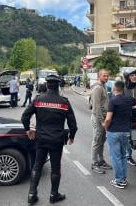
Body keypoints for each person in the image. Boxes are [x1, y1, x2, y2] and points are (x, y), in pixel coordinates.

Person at [21, 74, 78, 205]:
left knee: (37, 165)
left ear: (47, 85)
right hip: (57, 140)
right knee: (55, 168)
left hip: (40, 139)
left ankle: (31, 195)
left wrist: (28, 130)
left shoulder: (38, 99)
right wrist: (72, 136)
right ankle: (54, 195)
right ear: (58, 86)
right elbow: (73, 124)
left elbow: (25, 117)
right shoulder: (64, 102)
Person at [103, 81, 136, 189]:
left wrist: (106, 127)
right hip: (126, 132)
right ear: (123, 89)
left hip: (114, 132)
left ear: (114, 88)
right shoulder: (129, 99)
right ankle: (123, 179)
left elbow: (108, 118)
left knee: (116, 157)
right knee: (123, 156)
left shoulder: (113, 101)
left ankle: (119, 180)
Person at [90, 69, 112, 174]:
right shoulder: (97, 88)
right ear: (99, 76)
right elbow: (96, 107)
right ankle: (94, 163)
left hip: (104, 118)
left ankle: (100, 161)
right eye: (104, 76)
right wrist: (102, 121)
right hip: (98, 118)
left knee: (102, 140)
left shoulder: (104, 86)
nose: (106, 77)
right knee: (97, 140)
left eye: (107, 76)